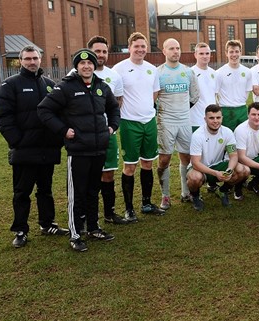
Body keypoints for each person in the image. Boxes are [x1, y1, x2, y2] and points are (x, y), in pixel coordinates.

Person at [38, 49, 120, 252]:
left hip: (99, 148)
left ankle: (93, 227)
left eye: (90, 63)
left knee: (94, 190)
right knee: (77, 194)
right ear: (76, 66)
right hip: (78, 151)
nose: (86, 66)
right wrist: (64, 130)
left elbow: (113, 108)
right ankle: (75, 234)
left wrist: (112, 127)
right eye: (82, 64)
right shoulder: (65, 87)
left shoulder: (102, 86)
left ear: (94, 65)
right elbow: (44, 110)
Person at [0, 45, 69, 248]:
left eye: (35, 58)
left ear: (40, 59)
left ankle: (47, 224)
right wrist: (17, 141)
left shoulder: (49, 84)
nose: (31, 62)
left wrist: (56, 139)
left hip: (47, 150)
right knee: (22, 192)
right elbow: (3, 116)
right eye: (27, 58)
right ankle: (21, 230)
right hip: (25, 150)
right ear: (20, 61)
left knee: (45, 190)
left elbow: (59, 113)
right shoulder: (11, 84)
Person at [113, 32, 164, 221]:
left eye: (143, 46)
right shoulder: (119, 69)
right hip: (129, 123)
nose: (141, 50)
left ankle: (147, 203)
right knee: (130, 166)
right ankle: (129, 209)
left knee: (148, 163)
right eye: (137, 46)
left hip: (149, 122)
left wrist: (147, 109)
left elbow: (155, 92)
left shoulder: (152, 69)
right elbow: (116, 96)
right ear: (130, 47)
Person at [85, 35, 128, 225]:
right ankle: (85, 215)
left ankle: (109, 213)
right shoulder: (75, 74)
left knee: (108, 172)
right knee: (87, 175)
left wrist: (111, 126)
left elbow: (117, 103)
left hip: (106, 133)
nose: (100, 55)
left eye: (104, 51)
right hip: (84, 135)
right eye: (97, 51)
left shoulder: (114, 76)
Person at [155, 38, 200, 210]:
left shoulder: (188, 72)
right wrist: (165, 112)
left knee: (186, 157)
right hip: (165, 121)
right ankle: (165, 195)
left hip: (184, 121)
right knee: (164, 159)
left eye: (178, 48)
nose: (176, 51)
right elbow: (153, 98)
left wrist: (182, 110)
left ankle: (185, 192)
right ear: (164, 51)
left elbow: (195, 95)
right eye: (172, 48)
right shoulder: (158, 73)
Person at [188, 104, 249, 211]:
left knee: (244, 170)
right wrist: (215, 173)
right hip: (200, 168)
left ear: (222, 118)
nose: (215, 121)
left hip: (219, 165)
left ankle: (223, 190)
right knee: (194, 178)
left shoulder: (227, 132)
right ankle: (195, 196)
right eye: (211, 118)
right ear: (205, 119)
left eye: (218, 117)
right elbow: (195, 163)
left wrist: (229, 170)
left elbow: (234, 155)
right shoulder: (198, 135)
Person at [215, 40, 252, 131]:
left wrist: (239, 103)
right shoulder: (219, 73)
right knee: (228, 140)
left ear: (240, 52)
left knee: (243, 139)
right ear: (226, 53)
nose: (234, 55)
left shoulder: (247, 72)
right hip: (226, 111)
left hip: (242, 110)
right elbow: (215, 94)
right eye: (231, 52)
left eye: (236, 51)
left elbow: (247, 92)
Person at [190, 43, 216, 134]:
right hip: (195, 121)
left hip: (212, 121)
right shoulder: (190, 73)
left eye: (207, 53)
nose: (205, 56)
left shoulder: (214, 73)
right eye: (201, 54)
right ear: (195, 55)